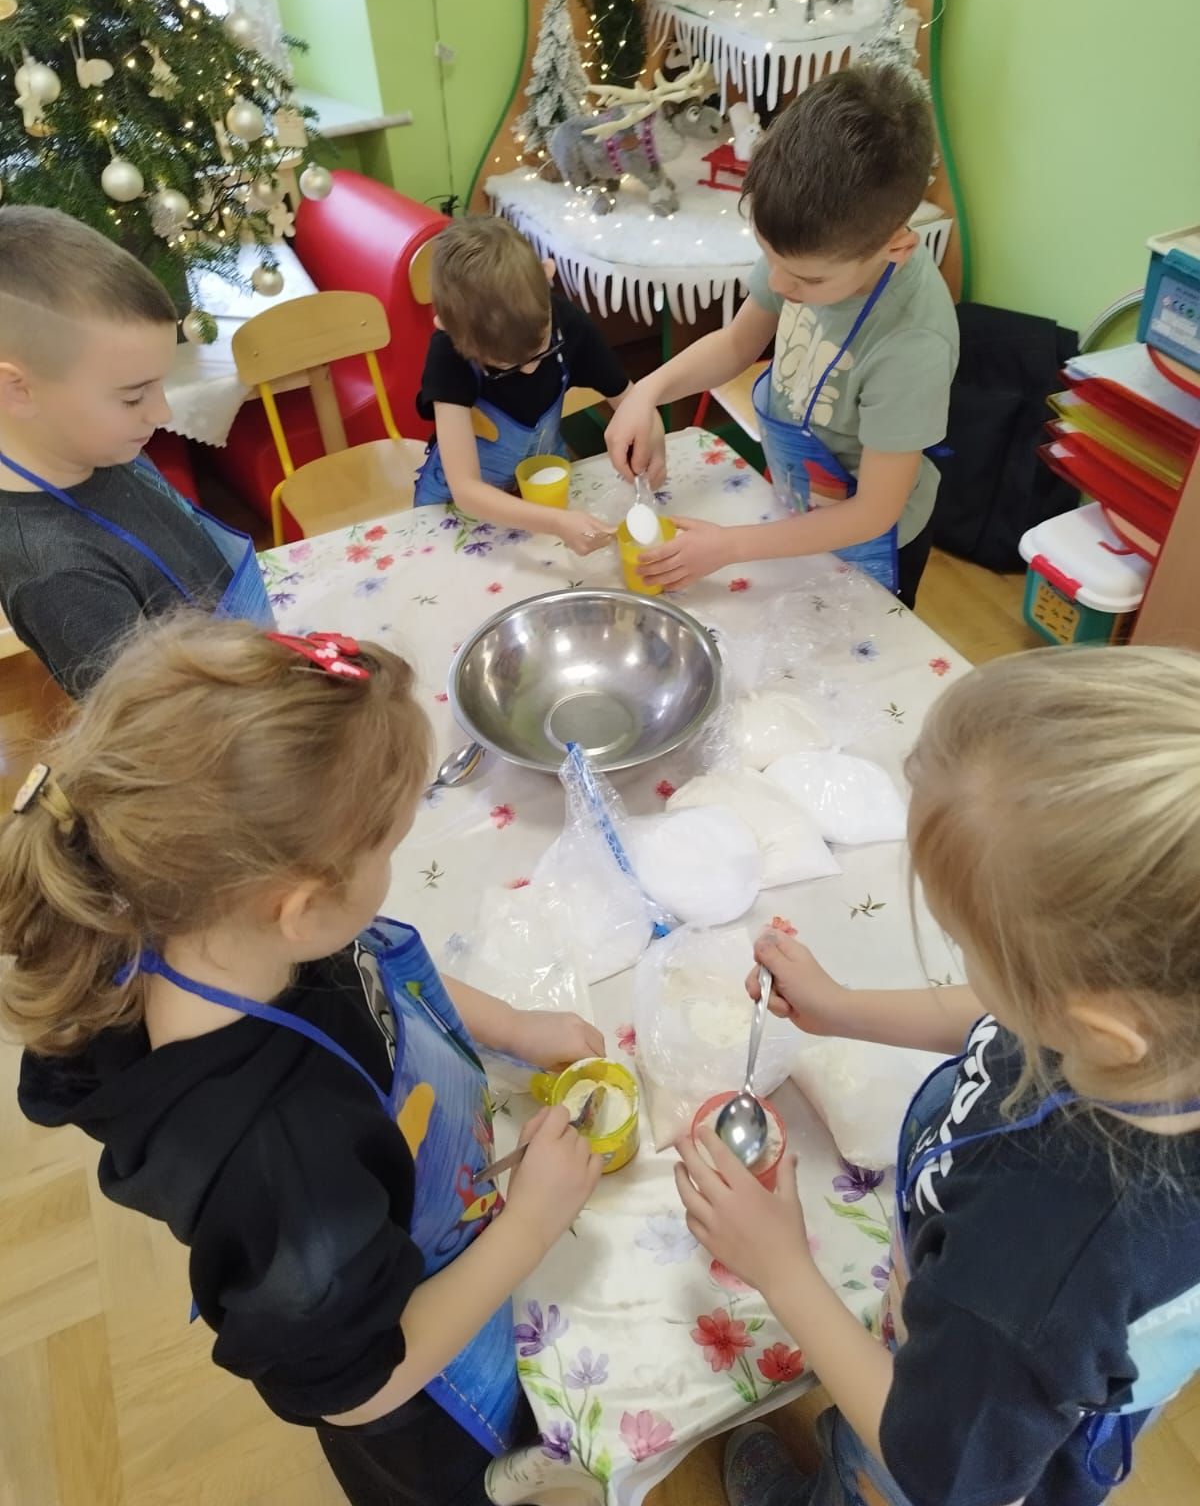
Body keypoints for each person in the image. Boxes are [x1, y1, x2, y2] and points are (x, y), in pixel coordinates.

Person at [0, 613, 604, 1506]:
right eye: (388, 848)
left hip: (416, 1220)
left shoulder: (213, 928)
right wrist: (531, 1224)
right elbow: (359, 1386)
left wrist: (511, 1026)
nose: (393, 865)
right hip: (424, 1404)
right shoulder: (279, 1161)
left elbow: (378, 979)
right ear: (299, 907)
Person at [675, 645, 1200, 1506]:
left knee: (865, 1471)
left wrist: (782, 1268)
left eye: (970, 946)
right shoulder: (1157, 1029)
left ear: (1096, 1027)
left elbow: (938, 1464)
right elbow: (1004, 1020)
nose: (970, 970)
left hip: (939, 1442)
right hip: (952, 1355)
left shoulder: (1036, 1267)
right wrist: (844, 1009)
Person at [604, 63, 959, 609]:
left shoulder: (912, 344)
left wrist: (729, 546)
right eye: (769, 259)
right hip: (795, 501)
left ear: (896, 246)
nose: (777, 285)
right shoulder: (803, 249)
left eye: (807, 280)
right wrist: (646, 392)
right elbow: (736, 344)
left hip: (870, 541)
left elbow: (874, 512)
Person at [0, 205, 272, 699]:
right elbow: (154, 731)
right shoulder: (61, 579)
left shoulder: (98, 448)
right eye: (132, 396)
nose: (161, 412)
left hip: (242, 667)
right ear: (18, 391)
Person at [415, 214, 662, 554]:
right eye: (504, 366)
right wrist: (556, 522)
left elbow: (632, 400)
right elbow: (466, 489)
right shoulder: (449, 354)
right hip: (459, 508)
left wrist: (653, 442)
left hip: (542, 489)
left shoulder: (568, 323)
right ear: (447, 327)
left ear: (547, 276)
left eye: (542, 351)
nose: (530, 369)